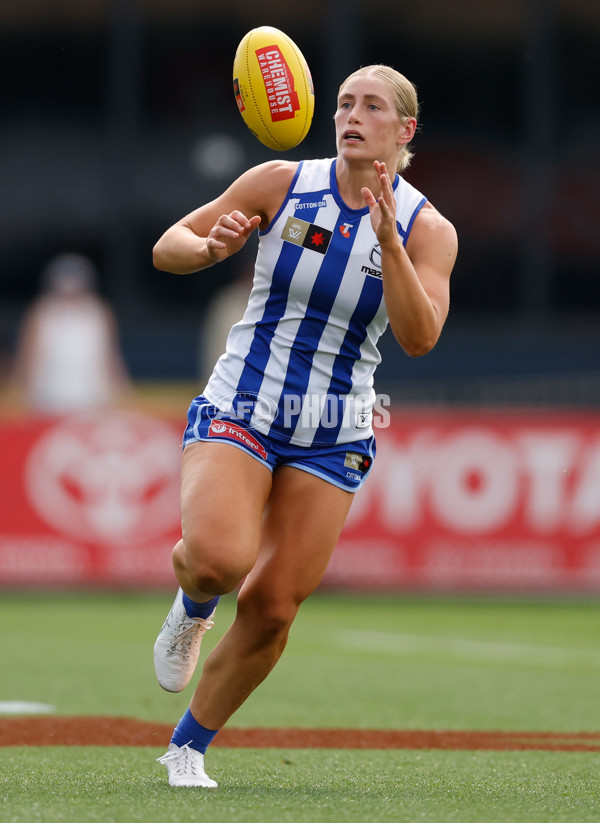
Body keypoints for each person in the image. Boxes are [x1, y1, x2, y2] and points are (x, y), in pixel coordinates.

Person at [152, 64, 457, 788]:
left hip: (335, 426)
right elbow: (170, 246)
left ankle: (186, 747)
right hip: (245, 403)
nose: (352, 114)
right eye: (345, 102)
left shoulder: (427, 228)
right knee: (222, 560)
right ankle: (193, 600)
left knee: (275, 603)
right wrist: (211, 249)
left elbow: (420, 337)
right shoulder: (281, 183)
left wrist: (387, 243)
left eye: (371, 105)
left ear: (403, 130)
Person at [12, 253, 131, 414]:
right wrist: (21, 393)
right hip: (48, 398)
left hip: (94, 398)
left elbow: (111, 355)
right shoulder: (41, 312)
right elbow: (27, 355)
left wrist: (122, 391)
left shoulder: (99, 312)